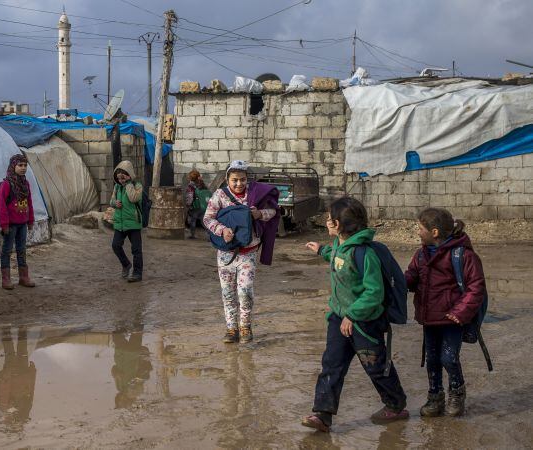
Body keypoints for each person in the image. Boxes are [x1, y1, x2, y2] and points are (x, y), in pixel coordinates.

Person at [302, 197, 408, 432]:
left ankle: (396, 405)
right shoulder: (341, 246)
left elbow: (374, 293)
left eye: (329, 218)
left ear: (338, 224)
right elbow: (339, 261)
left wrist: (353, 315)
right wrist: (322, 251)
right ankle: (322, 414)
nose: (327, 221)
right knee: (332, 365)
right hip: (339, 319)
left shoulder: (365, 254)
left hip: (363, 324)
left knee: (376, 366)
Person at [405, 208, 486, 417]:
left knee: (449, 358)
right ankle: (435, 396)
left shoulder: (463, 255)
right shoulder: (421, 255)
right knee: (432, 360)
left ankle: (457, 393)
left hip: (452, 320)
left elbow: (476, 287)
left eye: (420, 228)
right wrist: (393, 283)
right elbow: (411, 277)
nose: (417, 232)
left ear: (434, 232)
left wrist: (460, 312)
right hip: (429, 319)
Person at [203, 160, 280, 344]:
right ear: (227, 179)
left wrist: (260, 214)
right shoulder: (220, 195)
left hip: (248, 253)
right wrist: (222, 230)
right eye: (234, 180)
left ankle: (245, 326)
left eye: (243, 180)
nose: (239, 184)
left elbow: (274, 211)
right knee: (228, 292)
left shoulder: (255, 194)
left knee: (245, 290)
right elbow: (207, 219)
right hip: (225, 254)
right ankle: (231, 329)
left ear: (248, 179)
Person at [0, 152, 35, 289]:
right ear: (13, 166)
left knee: (21, 249)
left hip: (22, 224)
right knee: (7, 250)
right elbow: (1, 205)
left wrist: (30, 220)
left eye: (25, 165)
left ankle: (24, 277)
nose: (23, 168)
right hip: (11, 225)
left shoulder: (26, 184)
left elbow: (29, 202)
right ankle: (6, 279)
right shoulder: (7, 184)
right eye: (20, 165)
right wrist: (4, 224)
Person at [110, 160, 144, 283]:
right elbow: (111, 201)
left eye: (123, 177)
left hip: (133, 222)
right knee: (115, 245)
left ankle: (137, 273)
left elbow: (133, 198)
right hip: (120, 222)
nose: (121, 180)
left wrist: (129, 183)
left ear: (129, 174)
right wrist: (115, 203)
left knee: (136, 249)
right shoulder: (117, 187)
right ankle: (126, 264)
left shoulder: (137, 185)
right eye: (119, 178)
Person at [185, 169, 209, 239]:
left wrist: (188, 205)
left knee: (192, 220)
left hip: (195, 206)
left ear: (190, 178)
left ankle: (192, 235)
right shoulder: (202, 184)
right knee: (203, 221)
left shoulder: (190, 186)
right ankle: (209, 235)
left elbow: (189, 197)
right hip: (203, 206)